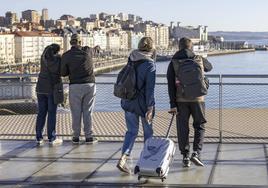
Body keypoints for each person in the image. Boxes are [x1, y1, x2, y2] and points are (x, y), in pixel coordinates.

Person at [167, 37, 213, 167]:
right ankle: (196, 153)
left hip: (181, 100)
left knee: (183, 128)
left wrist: (172, 104)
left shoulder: (174, 62)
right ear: (191, 47)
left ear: (179, 47)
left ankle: (185, 156)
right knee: (199, 125)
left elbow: (170, 85)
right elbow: (210, 67)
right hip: (198, 99)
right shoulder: (198, 58)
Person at [117, 37, 156, 174]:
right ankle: (146, 162)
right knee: (148, 133)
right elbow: (150, 89)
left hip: (128, 101)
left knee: (131, 131)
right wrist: (150, 107)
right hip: (143, 104)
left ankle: (123, 158)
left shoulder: (131, 59)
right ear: (152, 48)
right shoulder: (150, 65)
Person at [61, 34, 99, 144]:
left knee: (76, 112)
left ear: (70, 43)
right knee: (88, 111)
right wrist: (97, 48)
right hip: (89, 85)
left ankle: (76, 136)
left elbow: (63, 73)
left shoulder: (66, 55)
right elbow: (95, 51)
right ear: (80, 42)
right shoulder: (87, 50)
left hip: (75, 85)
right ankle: (89, 136)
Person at [35, 43, 63, 146]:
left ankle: (39, 137)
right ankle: (52, 137)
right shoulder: (58, 59)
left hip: (40, 88)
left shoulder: (43, 58)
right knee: (51, 113)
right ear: (57, 51)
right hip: (51, 89)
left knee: (41, 113)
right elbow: (62, 71)